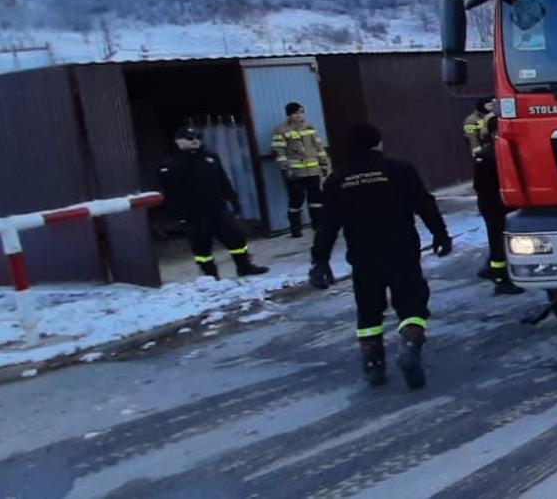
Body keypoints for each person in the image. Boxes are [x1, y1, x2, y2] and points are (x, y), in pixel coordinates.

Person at [321, 123, 452, 389]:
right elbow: (424, 204)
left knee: (368, 309)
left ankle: (373, 362)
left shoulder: (337, 180)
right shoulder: (399, 170)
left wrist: (319, 260)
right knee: (411, 304)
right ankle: (411, 345)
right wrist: (440, 234)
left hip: (362, 254)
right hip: (401, 249)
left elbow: (328, 225)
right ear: (377, 143)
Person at [157, 127, 269, 279]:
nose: (195, 141)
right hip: (194, 213)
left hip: (217, 208)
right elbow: (171, 194)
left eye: (197, 137)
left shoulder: (210, 157)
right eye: (190, 138)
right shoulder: (171, 164)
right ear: (178, 141)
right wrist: (180, 216)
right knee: (201, 246)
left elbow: (223, 180)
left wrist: (233, 199)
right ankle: (210, 276)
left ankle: (244, 267)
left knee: (236, 238)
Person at [463, 99, 523, 296]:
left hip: (497, 204)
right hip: (495, 205)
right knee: (498, 242)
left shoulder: (495, 152)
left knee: (500, 241)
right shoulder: (490, 155)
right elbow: (482, 185)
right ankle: (500, 278)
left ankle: (497, 270)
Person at [270, 102, 331, 240]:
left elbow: (319, 147)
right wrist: (286, 168)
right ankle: (295, 230)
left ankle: (318, 225)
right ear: (289, 115)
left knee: (316, 198)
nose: (299, 116)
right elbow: (278, 151)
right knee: (296, 199)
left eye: (301, 112)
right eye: (296, 113)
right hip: (295, 173)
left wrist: (324, 164)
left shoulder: (309, 128)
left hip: (312, 170)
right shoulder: (280, 130)